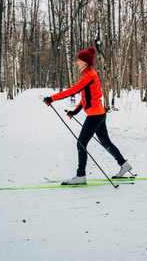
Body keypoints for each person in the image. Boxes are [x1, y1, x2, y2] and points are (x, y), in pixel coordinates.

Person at [43, 47, 132, 185]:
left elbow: (73, 90)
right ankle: (123, 164)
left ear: (86, 62)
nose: (77, 62)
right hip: (98, 114)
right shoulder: (88, 75)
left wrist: (52, 98)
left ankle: (80, 176)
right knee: (105, 142)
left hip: (95, 115)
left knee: (81, 143)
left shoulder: (89, 76)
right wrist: (75, 112)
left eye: (79, 60)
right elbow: (85, 98)